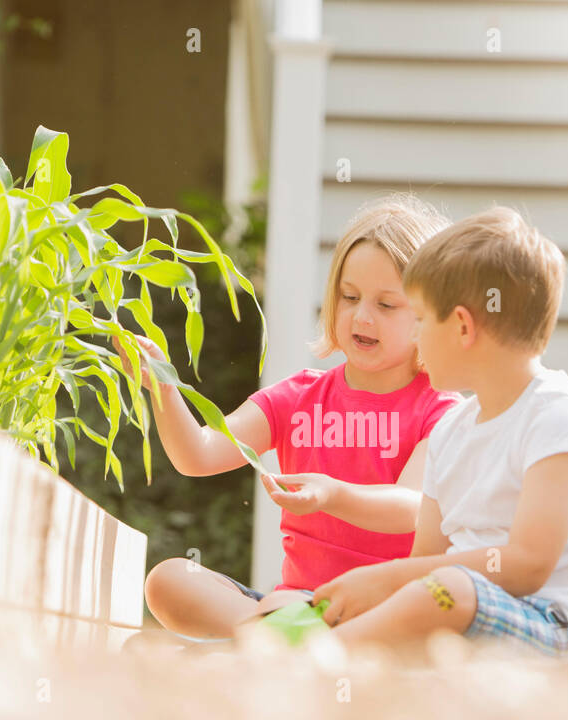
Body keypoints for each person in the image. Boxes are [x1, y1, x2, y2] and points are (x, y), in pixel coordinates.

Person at [122, 195, 461, 639]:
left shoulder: (440, 410)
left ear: (425, 317)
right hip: (293, 603)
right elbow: (199, 455)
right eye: (350, 296)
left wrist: (331, 494)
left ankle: (275, 640)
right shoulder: (298, 397)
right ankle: (285, 637)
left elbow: (411, 508)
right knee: (168, 581)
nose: (361, 315)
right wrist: (162, 386)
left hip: (381, 611)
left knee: (443, 603)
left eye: (386, 304)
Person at [312, 207, 568, 655]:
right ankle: (317, 639)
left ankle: (314, 656)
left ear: (461, 326)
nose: (414, 337)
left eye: (419, 319)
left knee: (447, 590)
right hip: (458, 607)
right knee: (431, 591)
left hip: (555, 627)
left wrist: (385, 577)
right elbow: (423, 563)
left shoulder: (557, 418)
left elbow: (527, 565)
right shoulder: (449, 432)